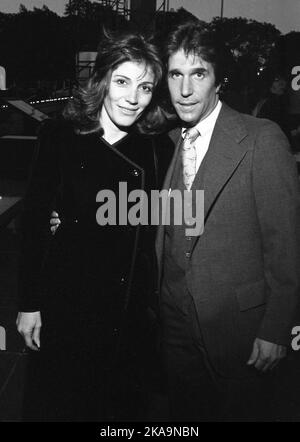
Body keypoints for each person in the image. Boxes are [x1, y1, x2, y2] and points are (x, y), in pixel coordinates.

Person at [16, 30, 172, 421]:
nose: (133, 98)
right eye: (122, 82)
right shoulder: (59, 135)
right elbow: (34, 222)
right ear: (102, 80)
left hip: (128, 313)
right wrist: (29, 304)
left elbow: (165, 222)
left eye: (146, 87)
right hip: (67, 303)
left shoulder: (157, 147)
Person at [154, 21, 300, 421]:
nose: (185, 89)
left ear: (219, 80)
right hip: (175, 330)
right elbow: (156, 221)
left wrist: (276, 329)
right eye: (176, 74)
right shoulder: (167, 142)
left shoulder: (261, 138)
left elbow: (286, 246)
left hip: (239, 334)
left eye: (198, 73)